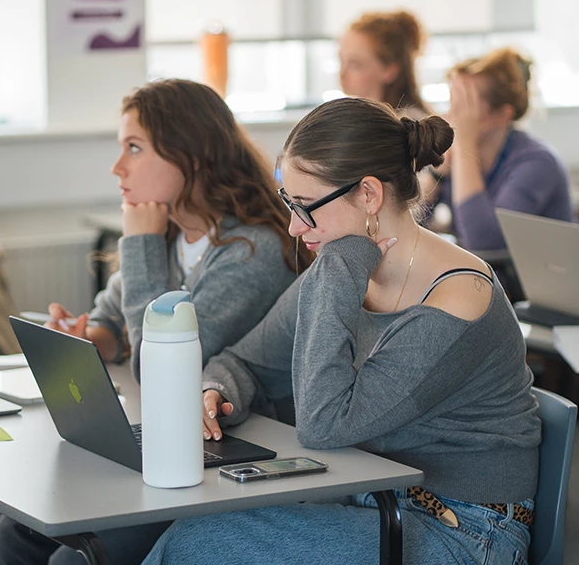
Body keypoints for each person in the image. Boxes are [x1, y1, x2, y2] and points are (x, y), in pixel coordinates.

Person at [139, 97, 541, 564]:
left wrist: (338, 270)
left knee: (199, 540)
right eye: (289, 203)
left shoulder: (457, 298)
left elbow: (323, 424)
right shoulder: (346, 264)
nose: (294, 227)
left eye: (306, 206)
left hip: (464, 529)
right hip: (373, 497)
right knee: (192, 526)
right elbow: (245, 361)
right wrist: (215, 391)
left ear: (369, 195)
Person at [0, 79, 310, 565]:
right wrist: (87, 337)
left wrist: (139, 245)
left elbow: (161, 372)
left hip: (237, 454)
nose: (118, 167)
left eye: (135, 148)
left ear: (191, 156)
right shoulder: (171, 233)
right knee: (16, 534)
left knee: (73, 560)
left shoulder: (253, 252)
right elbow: (110, 318)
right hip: (177, 442)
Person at [423, 47, 572, 251]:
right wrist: (435, 174)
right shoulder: (457, 159)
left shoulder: (538, 163)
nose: (451, 115)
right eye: (453, 102)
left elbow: (484, 242)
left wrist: (465, 144)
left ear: (502, 115)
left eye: (465, 105)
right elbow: (410, 223)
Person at [339, 10, 432, 117]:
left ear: (390, 69)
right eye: (341, 60)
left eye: (355, 65)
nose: (342, 74)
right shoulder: (359, 117)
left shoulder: (407, 122)